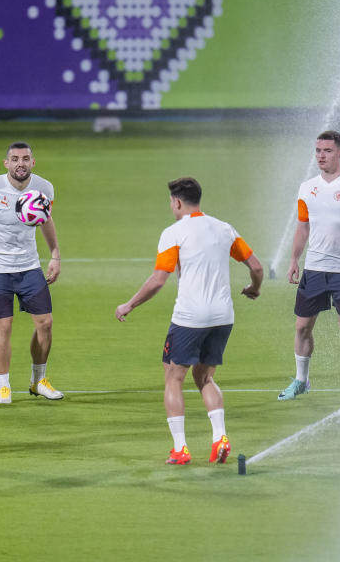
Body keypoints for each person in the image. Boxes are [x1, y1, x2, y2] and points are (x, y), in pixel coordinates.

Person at [114, 178, 263, 465]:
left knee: (174, 378)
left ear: (177, 202)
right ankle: (219, 436)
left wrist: (129, 304)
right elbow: (255, 266)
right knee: (204, 377)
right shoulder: (224, 229)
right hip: (223, 317)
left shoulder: (174, 233)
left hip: (190, 318)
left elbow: (159, 279)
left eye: (171, 202)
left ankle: (180, 448)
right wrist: (255, 288)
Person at [0, 142, 63, 404]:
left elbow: (45, 220)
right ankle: (3, 387)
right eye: (15, 159)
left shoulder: (44, 188)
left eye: (25, 159)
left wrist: (54, 255)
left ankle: (38, 381)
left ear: (33, 162)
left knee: (46, 323)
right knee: (3, 326)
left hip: (29, 265)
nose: (21, 163)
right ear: (6, 163)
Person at [279, 131, 340, 404]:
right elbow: (303, 226)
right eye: (318, 150)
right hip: (314, 268)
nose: (321, 155)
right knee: (301, 327)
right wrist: (294, 259)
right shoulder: (307, 187)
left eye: (327, 151)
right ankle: (301, 380)